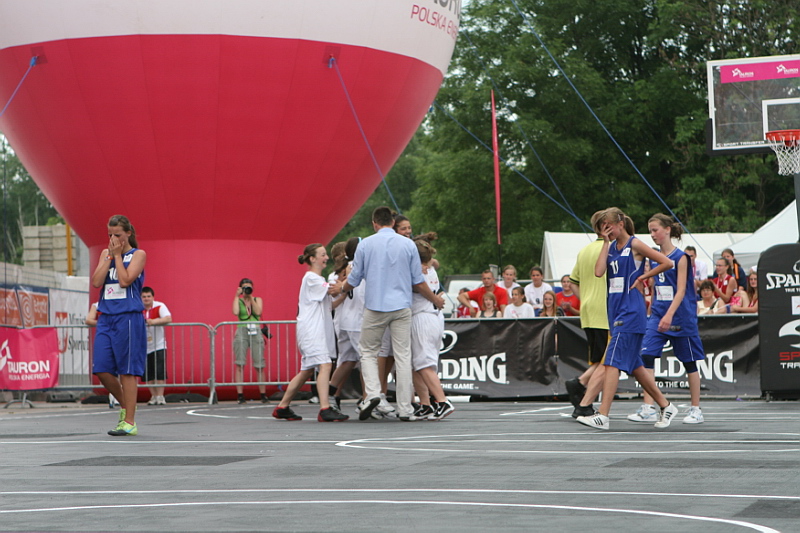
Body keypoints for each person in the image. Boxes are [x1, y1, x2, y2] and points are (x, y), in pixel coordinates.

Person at [575, 207, 679, 431]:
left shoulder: (635, 244)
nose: (606, 231)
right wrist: (605, 242)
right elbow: (598, 272)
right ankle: (666, 405)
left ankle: (603, 415)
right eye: (603, 229)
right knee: (635, 366)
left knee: (611, 362)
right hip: (615, 310)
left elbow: (667, 262)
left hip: (631, 311)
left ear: (620, 224)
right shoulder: (611, 247)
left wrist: (643, 276)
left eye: (608, 227)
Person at [336, 206, 444, 421]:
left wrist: (341, 288)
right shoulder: (408, 244)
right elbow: (417, 279)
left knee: (368, 352)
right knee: (403, 356)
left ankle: (373, 394)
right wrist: (434, 298)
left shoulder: (366, 244)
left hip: (375, 306)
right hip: (402, 306)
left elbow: (354, 278)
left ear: (374, 223)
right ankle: (405, 408)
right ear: (393, 223)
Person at [627, 214, 706, 425]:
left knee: (689, 362)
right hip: (658, 314)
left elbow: (681, 290)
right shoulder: (653, 257)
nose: (652, 235)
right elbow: (656, 287)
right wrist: (652, 309)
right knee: (646, 356)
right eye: (650, 231)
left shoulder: (681, 258)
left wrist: (670, 314)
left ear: (668, 229)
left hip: (681, 316)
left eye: (655, 230)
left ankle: (696, 409)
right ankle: (648, 408)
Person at [273, 244, 348, 422]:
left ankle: (282, 407)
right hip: (312, 331)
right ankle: (324, 408)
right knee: (325, 364)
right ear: (312, 259)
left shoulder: (317, 280)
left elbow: (330, 304)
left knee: (306, 371)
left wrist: (345, 292)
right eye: (322, 255)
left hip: (315, 330)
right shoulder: (311, 278)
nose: (326, 258)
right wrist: (349, 279)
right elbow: (332, 289)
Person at [90, 214, 147, 437]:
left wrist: (117, 256)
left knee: (127, 370)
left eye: (118, 235)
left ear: (128, 234)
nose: (113, 239)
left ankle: (129, 421)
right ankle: (126, 405)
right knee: (101, 369)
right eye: (110, 235)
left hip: (128, 317)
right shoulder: (105, 254)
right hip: (106, 316)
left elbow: (125, 280)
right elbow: (96, 282)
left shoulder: (138, 254)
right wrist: (109, 257)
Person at [565, 212, 610, 418]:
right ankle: (581, 385)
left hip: (589, 310)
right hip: (604, 311)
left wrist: (585, 298)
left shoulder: (584, 250)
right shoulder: (609, 249)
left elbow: (572, 281)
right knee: (608, 361)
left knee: (600, 360)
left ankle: (582, 391)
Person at [409, 237, 454, 420]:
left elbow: (418, 285)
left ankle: (442, 401)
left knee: (424, 363)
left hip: (423, 316)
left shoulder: (418, 271)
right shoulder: (430, 267)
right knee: (417, 364)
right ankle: (425, 404)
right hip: (432, 317)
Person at [232, 278, 268, 404]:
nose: (247, 290)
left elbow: (258, 312)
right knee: (240, 364)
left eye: (249, 287)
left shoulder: (257, 299)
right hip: (242, 331)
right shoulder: (239, 300)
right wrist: (236, 296)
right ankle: (240, 395)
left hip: (256, 331)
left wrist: (251, 298)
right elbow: (235, 312)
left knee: (260, 365)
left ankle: (263, 394)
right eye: (244, 288)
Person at [141, 287, 172, 406]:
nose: (146, 299)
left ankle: (160, 396)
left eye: (148, 296)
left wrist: (153, 321)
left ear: (153, 297)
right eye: (144, 297)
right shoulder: (137, 308)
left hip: (158, 344)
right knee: (148, 373)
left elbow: (168, 318)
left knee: (159, 371)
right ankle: (153, 396)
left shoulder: (159, 306)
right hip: (143, 346)